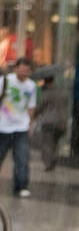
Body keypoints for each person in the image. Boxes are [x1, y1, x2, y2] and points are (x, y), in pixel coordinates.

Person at [0, 57, 37, 196]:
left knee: (22, 158)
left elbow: (31, 106)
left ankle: (21, 186)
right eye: (21, 70)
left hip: (21, 127)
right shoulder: (5, 81)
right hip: (3, 126)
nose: (23, 73)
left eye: (26, 71)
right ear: (15, 69)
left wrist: (30, 124)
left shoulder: (31, 85)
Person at [34, 75, 67, 171]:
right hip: (61, 122)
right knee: (55, 143)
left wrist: (34, 115)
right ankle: (53, 159)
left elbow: (40, 107)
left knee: (47, 143)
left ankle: (48, 162)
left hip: (48, 122)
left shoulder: (46, 93)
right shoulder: (62, 92)